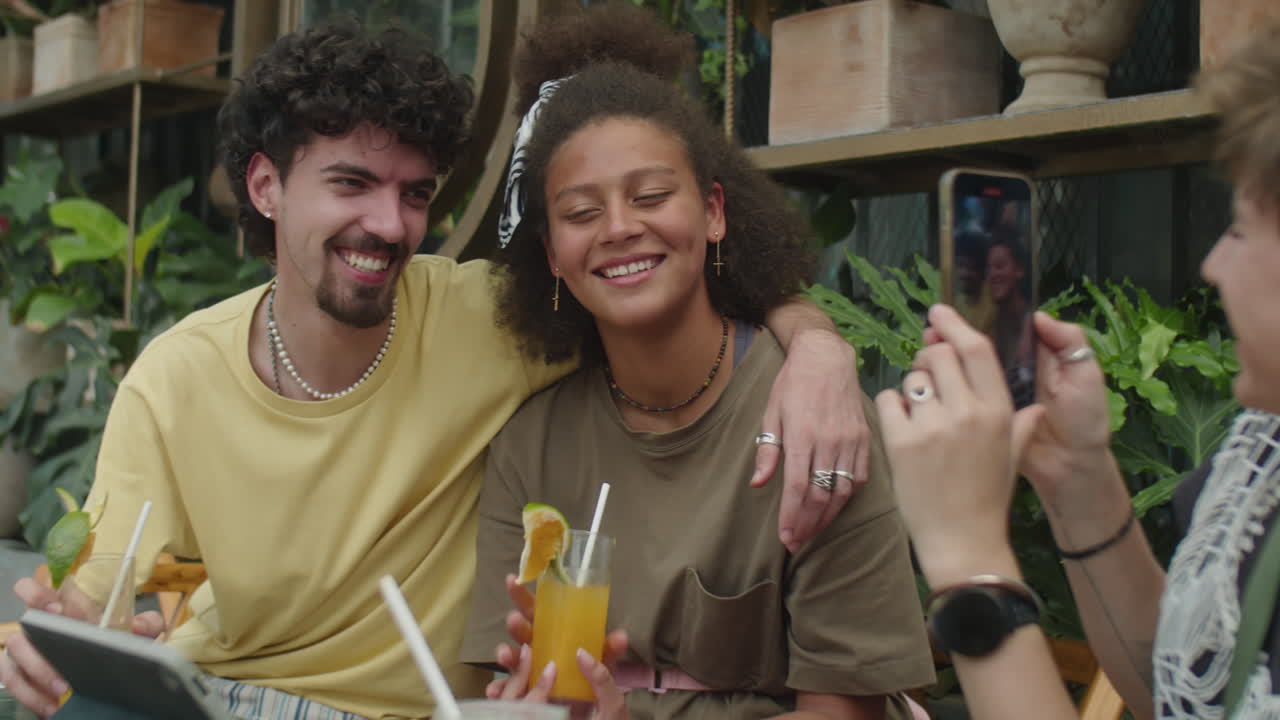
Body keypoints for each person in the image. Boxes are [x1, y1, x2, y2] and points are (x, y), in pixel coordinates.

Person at [0, 16, 874, 720]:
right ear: (266, 187)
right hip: (217, 694)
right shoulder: (177, 375)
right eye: (352, 184)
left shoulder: (489, 319)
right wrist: (62, 635)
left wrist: (816, 346)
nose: (390, 225)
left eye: (414, 194)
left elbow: (659, 278)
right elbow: (132, 585)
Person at [460, 6, 936, 719]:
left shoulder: (815, 420)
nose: (620, 227)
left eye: (651, 197)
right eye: (582, 213)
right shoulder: (531, 446)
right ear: (553, 255)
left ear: (714, 212)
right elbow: (510, 689)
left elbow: (845, 714)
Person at [874, 23, 1280, 720]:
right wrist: (1078, 480)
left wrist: (969, 560)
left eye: (1240, 229)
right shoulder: (1261, 445)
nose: (1213, 264)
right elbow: (1186, 690)